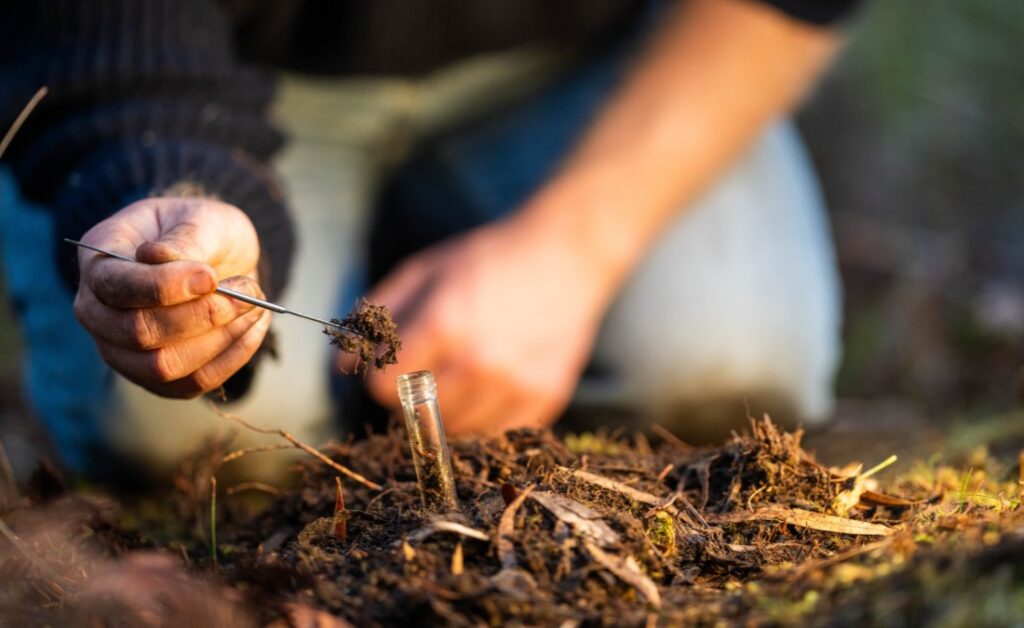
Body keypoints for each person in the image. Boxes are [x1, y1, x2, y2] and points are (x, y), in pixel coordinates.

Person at [0, 0, 857, 482]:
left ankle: (405, 246)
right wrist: (180, 194)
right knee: (200, 450)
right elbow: (121, 47)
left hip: (582, 62)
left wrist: (572, 252)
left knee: (724, 366)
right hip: (232, 76)